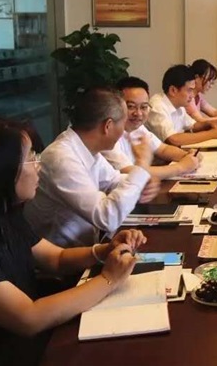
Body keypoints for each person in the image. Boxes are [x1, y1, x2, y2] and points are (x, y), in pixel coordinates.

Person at [0, 117, 146, 366]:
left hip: (36, 340)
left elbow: (56, 258)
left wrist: (103, 250)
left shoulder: (3, 213)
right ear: (0, 169)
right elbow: (29, 318)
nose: (39, 165)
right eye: (31, 157)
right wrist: (109, 279)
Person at [24, 87, 160, 248]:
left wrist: (142, 181)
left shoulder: (85, 147)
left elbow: (113, 180)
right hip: (62, 258)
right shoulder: (61, 158)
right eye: (123, 123)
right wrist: (142, 167)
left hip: (88, 247)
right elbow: (107, 217)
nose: (124, 130)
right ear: (108, 126)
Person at [102, 76, 201, 179]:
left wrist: (187, 155)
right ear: (118, 106)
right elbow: (130, 172)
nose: (138, 113)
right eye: (131, 106)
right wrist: (181, 167)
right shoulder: (108, 135)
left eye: (144, 107)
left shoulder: (138, 128)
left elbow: (163, 149)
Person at [146, 64, 217, 147]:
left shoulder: (179, 105)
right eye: (189, 90)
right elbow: (173, 139)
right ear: (173, 90)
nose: (192, 96)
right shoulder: (158, 106)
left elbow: (193, 126)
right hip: (160, 157)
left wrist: (210, 123)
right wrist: (214, 133)